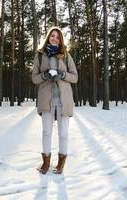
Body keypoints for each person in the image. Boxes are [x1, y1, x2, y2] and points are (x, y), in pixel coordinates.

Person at [32, 27, 78, 174]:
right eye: (52, 36)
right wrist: (45, 75)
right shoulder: (40, 55)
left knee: (63, 133)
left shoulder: (65, 55)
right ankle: (46, 162)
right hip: (47, 100)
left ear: (60, 39)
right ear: (48, 37)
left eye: (57, 37)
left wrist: (61, 74)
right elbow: (34, 78)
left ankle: (60, 164)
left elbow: (75, 77)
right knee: (46, 132)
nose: (54, 38)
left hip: (64, 100)